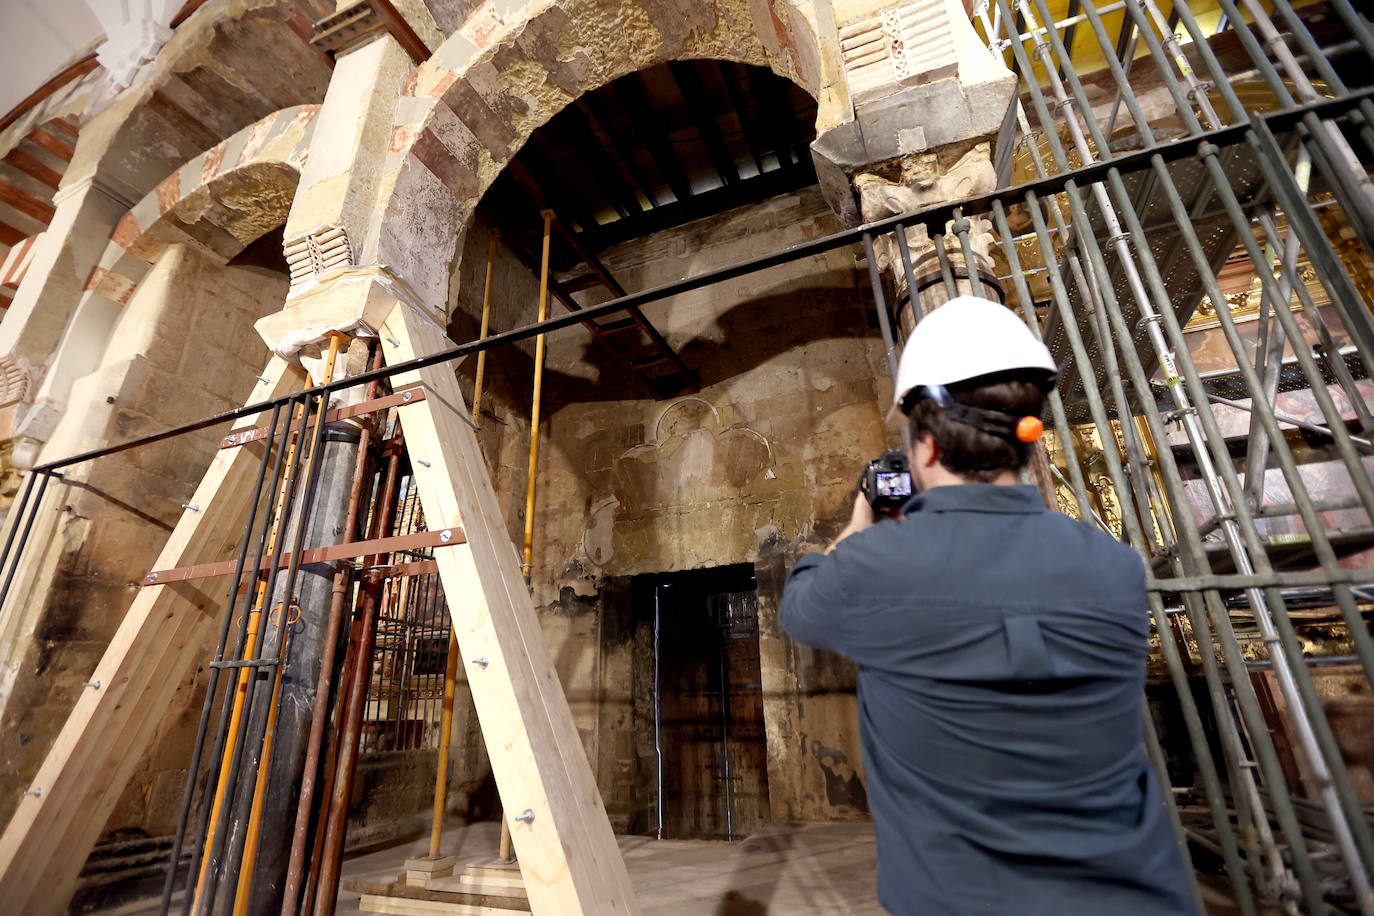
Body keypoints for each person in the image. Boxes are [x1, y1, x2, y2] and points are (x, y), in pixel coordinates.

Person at [779, 296, 1195, 915]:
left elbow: (800, 606)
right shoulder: (1115, 567)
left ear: (924, 448)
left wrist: (860, 520)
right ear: (1027, 440)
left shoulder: (879, 566)